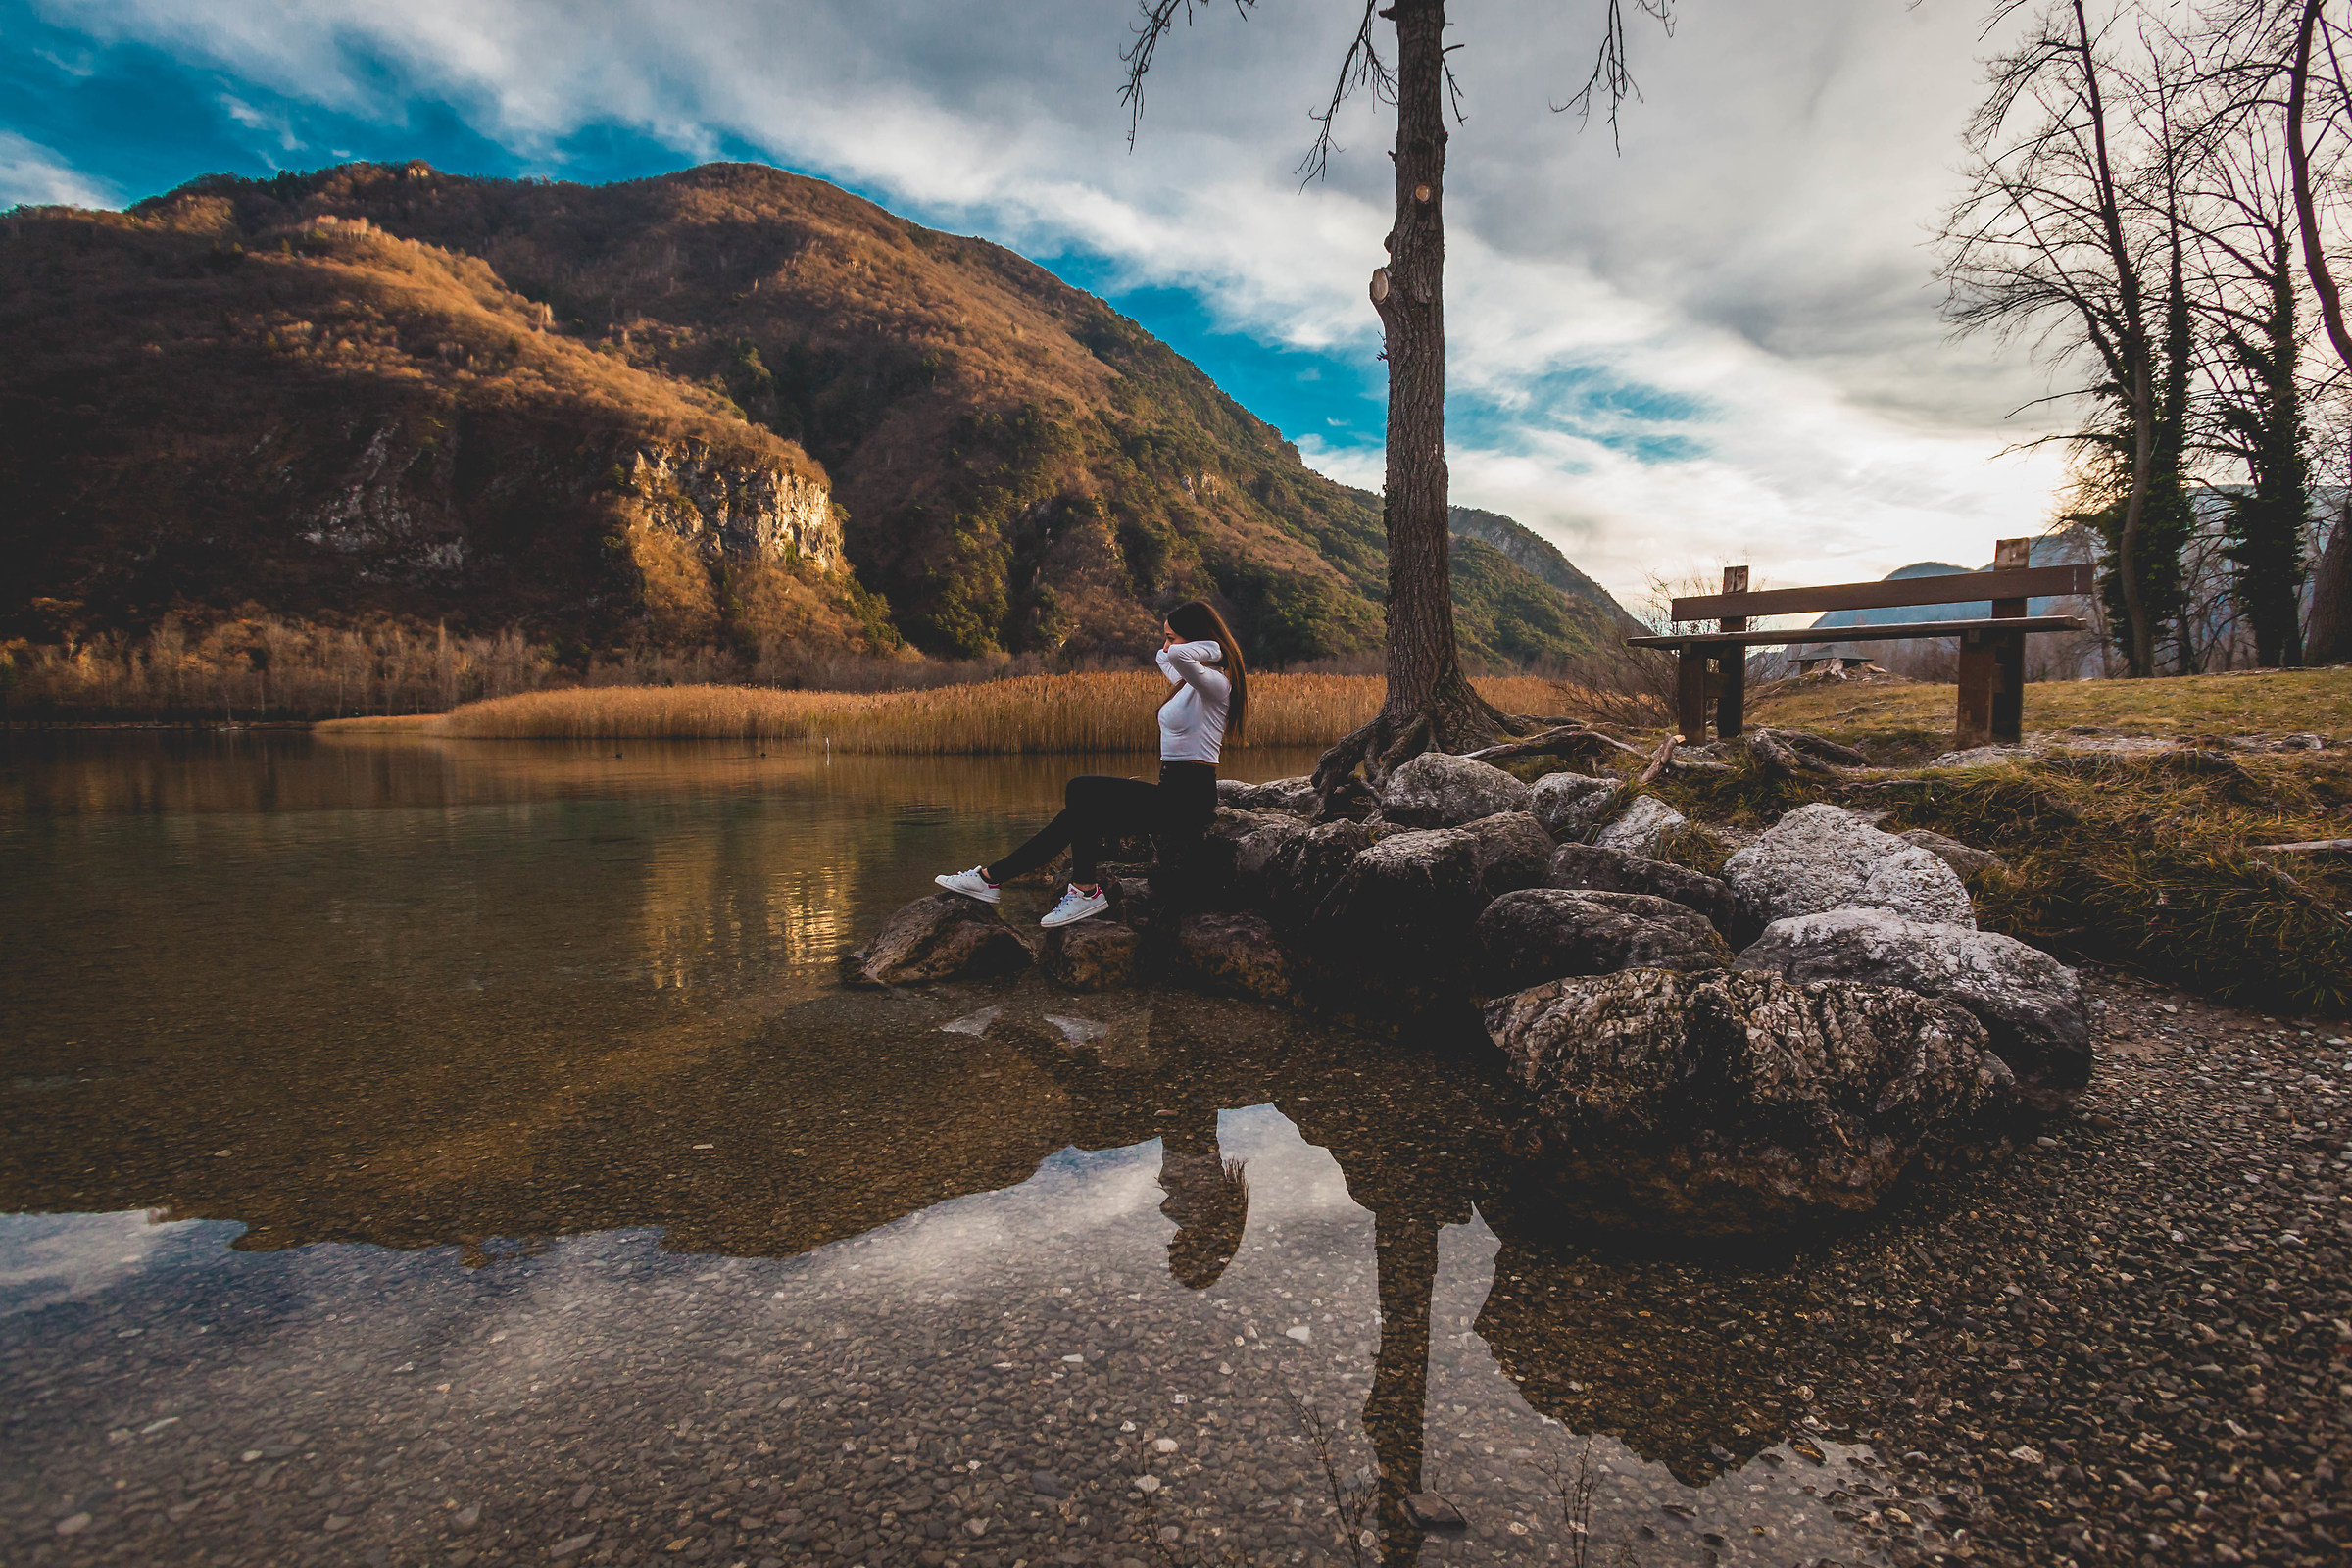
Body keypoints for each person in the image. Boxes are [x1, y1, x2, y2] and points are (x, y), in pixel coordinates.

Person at [934, 600, 1250, 928]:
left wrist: (1217, 648)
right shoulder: (1188, 682)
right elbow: (1165, 657)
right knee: (1076, 815)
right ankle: (991, 878)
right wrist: (1191, 645)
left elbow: (1179, 655)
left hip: (1190, 798)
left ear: (1198, 640)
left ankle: (1080, 891)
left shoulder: (1217, 685)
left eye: (1172, 637)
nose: (1165, 646)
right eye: (1165, 637)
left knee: (1079, 788)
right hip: (1170, 791)